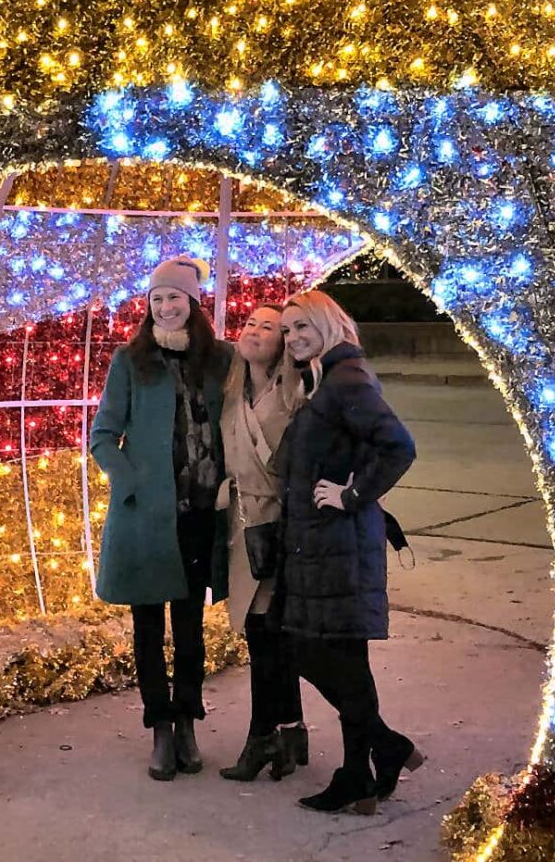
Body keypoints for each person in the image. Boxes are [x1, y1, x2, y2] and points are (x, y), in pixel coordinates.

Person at [275, 291, 424, 814]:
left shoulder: (347, 380)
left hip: (339, 544)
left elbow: (398, 446)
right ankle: (365, 765)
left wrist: (353, 494)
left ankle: (377, 753)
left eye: (302, 327)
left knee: (319, 653)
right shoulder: (326, 379)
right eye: (288, 330)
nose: (292, 337)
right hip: (320, 545)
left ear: (329, 325)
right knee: (337, 658)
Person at [90, 256, 234, 781]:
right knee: (148, 627)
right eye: (157, 299)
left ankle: (188, 720)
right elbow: (103, 435)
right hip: (147, 516)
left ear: (194, 303)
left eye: (175, 297)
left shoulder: (220, 359)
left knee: (191, 625)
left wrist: (230, 482)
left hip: (202, 512)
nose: (166, 307)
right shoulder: (130, 361)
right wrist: (131, 482)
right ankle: (160, 728)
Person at [216, 304, 309, 782]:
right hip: (242, 526)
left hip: (277, 526)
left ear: (284, 342)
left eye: (268, 327)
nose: (254, 331)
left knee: (270, 634)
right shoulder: (232, 389)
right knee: (265, 636)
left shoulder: (294, 390)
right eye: (250, 323)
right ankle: (289, 731)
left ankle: (263, 738)